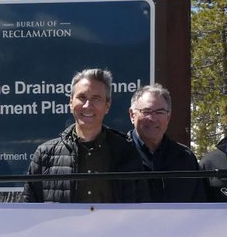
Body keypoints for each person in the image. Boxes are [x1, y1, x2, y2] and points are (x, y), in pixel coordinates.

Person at [22, 68, 149, 203]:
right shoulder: (45, 154)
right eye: (82, 97)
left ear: (107, 105)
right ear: (71, 102)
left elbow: (139, 211)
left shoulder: (126, 151)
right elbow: (28, 211)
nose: (88, 105)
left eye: (96, 98)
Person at [127, 84, 205, 202]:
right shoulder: (117, 154)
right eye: (146, 111)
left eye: (160, 112)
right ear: (132, 115)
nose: (152, 118)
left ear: (168, 116)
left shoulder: (185, 158)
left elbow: (199, 207)